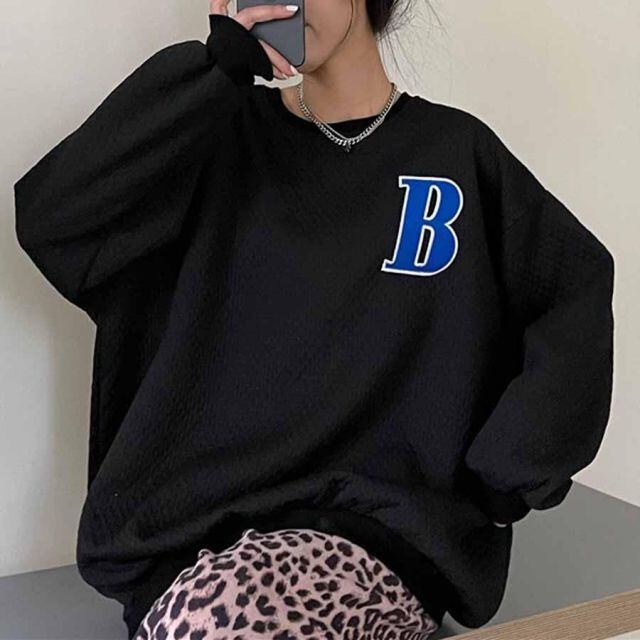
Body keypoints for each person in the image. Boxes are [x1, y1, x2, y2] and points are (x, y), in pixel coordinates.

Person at [13, 0, 615, 639]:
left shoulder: (454, 155)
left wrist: (510, 469)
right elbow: (55, 221)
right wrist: (216, 70)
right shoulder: (208, 134)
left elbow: (574, 288)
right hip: (187, 551)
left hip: (375, 537)